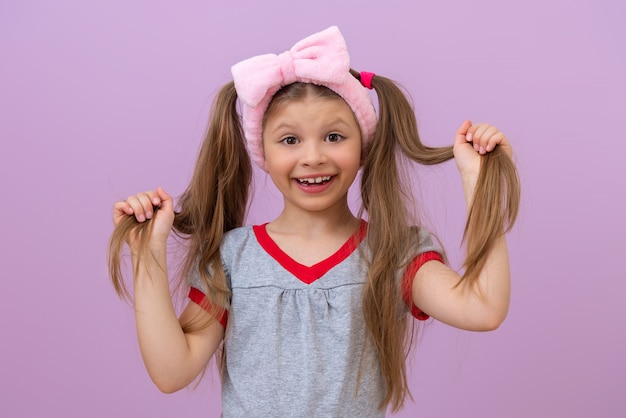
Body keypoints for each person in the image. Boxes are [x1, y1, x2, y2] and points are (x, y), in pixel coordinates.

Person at [109, 26, 520, 417]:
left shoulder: (394, 254)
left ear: (364, 149)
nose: (313, 157)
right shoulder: (233, 259)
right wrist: (148, 254)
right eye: (290, 140)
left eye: (334, 137)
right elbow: (171, 372)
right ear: (263, 156)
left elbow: (482, 308)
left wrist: (479, 184)